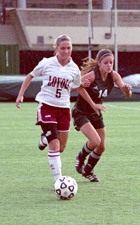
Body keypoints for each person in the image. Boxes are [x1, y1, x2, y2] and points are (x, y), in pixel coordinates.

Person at [16, 34, 103, 183]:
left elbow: (77, 87)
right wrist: (20, 95)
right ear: (56, 48)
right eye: (62, 48)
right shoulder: (47, 63)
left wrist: (92, 103)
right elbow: (30, 76)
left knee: (61, 147)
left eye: (69, 48)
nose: (66, 51)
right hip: (46, 106)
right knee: (54, 145)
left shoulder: (74, 68)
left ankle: (44, 139)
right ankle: (59, 181)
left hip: (63, 109)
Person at [72, 49, 132, 182]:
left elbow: (127, 94)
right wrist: (92, 103)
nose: (109, 65)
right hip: (81, 112)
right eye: (106, 63)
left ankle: (88, 171)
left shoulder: (114, 76)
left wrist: (127, 91)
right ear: (99, 63)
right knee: (95, 141)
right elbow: (74, 86)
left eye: (111, 62)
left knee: (102, 146)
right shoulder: (92, 75)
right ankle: (80, 158)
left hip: (96, 113)